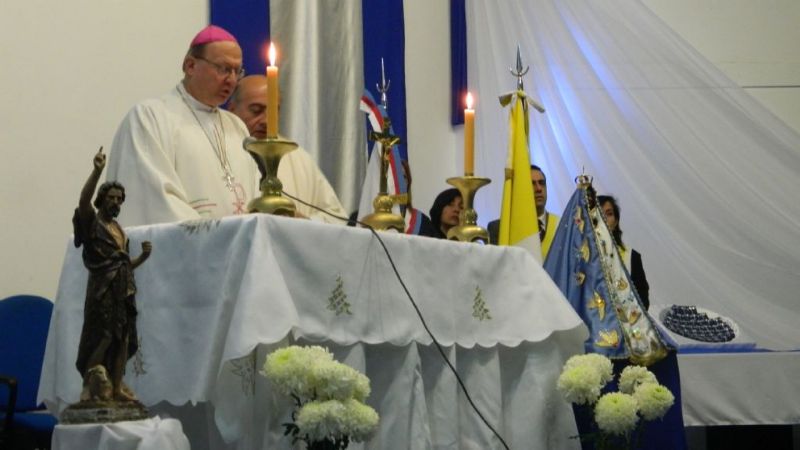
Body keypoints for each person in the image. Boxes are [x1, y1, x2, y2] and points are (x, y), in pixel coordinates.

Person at [106, 25, 259, 226]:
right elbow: (156, 201)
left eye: (237, 71)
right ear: (190, 66)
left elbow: (255, 195)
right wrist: (218, 239)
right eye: (223, 69)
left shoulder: (237, 126)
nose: (231, 80)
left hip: (237, 249)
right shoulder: (150, 117)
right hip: (190, 252)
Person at [73, 147, 152, 401]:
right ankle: (90, 381)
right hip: (101, 290)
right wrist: (97, 171)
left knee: (122, 338)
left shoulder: (119, 229)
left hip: (122, 292)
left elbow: (123, 265)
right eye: (112, 198)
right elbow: (83, 201)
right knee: (103, 336)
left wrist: (142, 258)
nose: (116, 202)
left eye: (120, 199)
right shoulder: (92, 222)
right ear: (102, 199)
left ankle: (116, 386)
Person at [227, 75, 348, 222]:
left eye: (273, 111)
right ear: (232, 110)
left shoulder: (298, 158)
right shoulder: (222, 151)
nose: (266, 121)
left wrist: (302, 222)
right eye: (256, 110)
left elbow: (337, 217)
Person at [488, 164, 560, 258]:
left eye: (541, 183)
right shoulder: (500, 229)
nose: (538, 189)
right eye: (532, 184)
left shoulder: (560, 226)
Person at [597, 195, 650, 310]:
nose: (604, 219)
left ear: (616, 222)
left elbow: (643, 301)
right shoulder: (580, 257)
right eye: (599, 214)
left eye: (609, 214)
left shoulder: (632, 257)